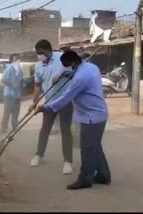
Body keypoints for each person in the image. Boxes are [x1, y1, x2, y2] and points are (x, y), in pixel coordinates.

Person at [37, 51, 111, 190]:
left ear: (73, 63)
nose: (67, 69)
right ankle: (104, 175)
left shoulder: (80, 78)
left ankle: (85, 179)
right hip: (98, 114)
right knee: (94, 146)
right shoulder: (91, 67)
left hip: (91, 117)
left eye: (67, 67)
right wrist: (64, 75)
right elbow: (75, 72)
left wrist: (46, 107)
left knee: (87, 148)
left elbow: (65, 98)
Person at [30, 39, 74, 175]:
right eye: (37, 53)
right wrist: (34, 102)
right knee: (45, 130)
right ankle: (39, 155)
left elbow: (73, 71)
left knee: (65, 131)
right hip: (49, 103)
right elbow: (37, 85)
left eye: (41, 53)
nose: (39, 55)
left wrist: (61, 75)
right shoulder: (38, 66)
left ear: (48, 50)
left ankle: (68, 162)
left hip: (65, 101)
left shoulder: (62, 57)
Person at [0, 54, 23, 134]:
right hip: (9, 95)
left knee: (16, 113)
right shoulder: (9, 68)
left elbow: (21, 81)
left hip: (17, 95)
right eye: (15, 59)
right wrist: (12, 85)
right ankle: (3, 128)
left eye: (18, 59)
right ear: (11, 61)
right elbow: (3, 79)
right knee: (7, 112)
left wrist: (22, 85)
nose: (17, 61)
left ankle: (15, 127)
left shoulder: (19, 70)